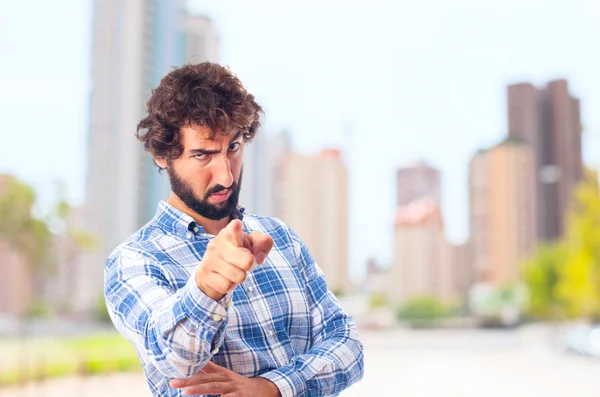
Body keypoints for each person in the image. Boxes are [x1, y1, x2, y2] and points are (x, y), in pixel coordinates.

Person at [104, 62, 364, 397]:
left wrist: (270, 388)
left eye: (234, 148)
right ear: (163, 156)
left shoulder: (281, 238)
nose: (226, 176)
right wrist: (206, 289)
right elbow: (172, 359)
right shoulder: (134, 261)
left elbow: (348, 346)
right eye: (203, 155)